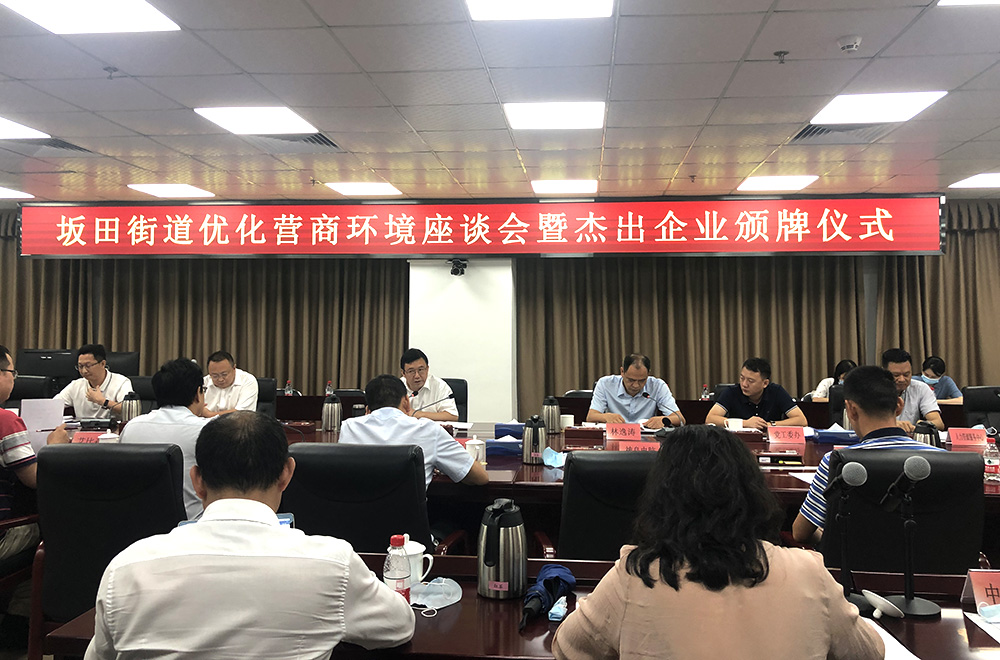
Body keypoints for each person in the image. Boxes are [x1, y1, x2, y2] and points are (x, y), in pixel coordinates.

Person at [84, 411, 415, 659]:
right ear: (286, 475)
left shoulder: (126, 568)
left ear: (197, 481)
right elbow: (399, 626)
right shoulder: (332, 563)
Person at [551, 425, 883, 660]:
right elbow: (870, 653)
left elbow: (566, 649)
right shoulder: (808, 571)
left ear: (660, 496)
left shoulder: (637, 573)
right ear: (752, 491)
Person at [793, 365, 945, 545]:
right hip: (927, 560)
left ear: (851, 409)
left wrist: (833, 540)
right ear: (899, 406)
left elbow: (800, 533)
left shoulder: (837, 461)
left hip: (853, 561)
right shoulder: (943, 460)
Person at [0, 345, 69, 649]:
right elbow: (36, 479)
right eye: (11, 372)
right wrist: (55, 447)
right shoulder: (5, 421)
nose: (14, 379)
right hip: (3, 535)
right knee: (50, 532)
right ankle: (19, 628)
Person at [340, 374, 487, 489]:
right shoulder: (428, 430)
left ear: (367, 409)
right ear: (406, 402)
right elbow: (480, 478)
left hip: (355, 519)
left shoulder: (349, 428)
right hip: (406, 519)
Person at [119, 358, 211, 519]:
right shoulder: (206, 431)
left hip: (139, 523)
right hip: (191, 524)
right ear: (198, 393)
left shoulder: (132, 427)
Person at [586, 353, 685, 429]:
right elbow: (591, 417)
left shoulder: (657, 386)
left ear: (648, 374)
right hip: (615, 437)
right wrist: (606, 417)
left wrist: (664, 420)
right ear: (622, 372)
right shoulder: (605, 384)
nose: (636, 385)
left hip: (647, 439)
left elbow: (680, 419)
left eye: (642, 380)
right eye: (631, 380)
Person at [705, 357, 807, 429]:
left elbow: (801, 420)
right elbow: (710, 418)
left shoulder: (776, 391)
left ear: (765, 383)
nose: (744, 384)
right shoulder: (731, 392)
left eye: (750, 381)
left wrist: (769, 425)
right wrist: (745, 423)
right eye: (742, 378)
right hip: (738, 443)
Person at [55, 343, 133, 419]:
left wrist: (103, 401)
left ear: (102, 364)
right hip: (82, 427)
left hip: (112, 427)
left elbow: (130, 410)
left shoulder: (121, 382)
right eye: (80, 366)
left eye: (88, 365)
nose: (84, 371)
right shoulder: (76, 385)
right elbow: (53, 405)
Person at [881, 348, 944, 432]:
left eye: (906, 374)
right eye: (896, 375)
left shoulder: (921, 388)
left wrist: (920, 426)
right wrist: (891, 425)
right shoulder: (871, 389)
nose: (902, 379)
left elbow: (938, 423)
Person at [400, 348, 458, 422]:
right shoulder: (397, 387)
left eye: (420, 370)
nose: (417, 376)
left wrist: (419, 414)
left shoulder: (440, 386)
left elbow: (452, 416)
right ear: (403, 373)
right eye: (411, 371)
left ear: (427, 369)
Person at [201, 350, 258, 417]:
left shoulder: (248, 381)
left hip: (236, 423)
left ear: (234, 368)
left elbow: (242, 414)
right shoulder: (203, 383)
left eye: (224, 374)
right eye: (215, 376)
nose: (220, 379)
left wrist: (209, 415)